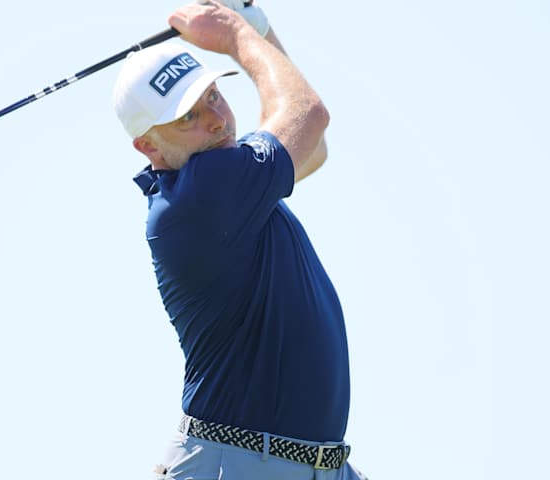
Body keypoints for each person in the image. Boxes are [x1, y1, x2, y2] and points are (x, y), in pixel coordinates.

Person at [113, 1, 367, 479]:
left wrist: (259, 31)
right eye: (188, 116)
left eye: (213, 96)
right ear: (148, 146)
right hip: (235, 464)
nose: (217, 119)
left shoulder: (223, 181)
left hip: (315, 465)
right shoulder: (205, 196)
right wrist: (234, 34)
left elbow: (310, 147)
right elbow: (306, 113)